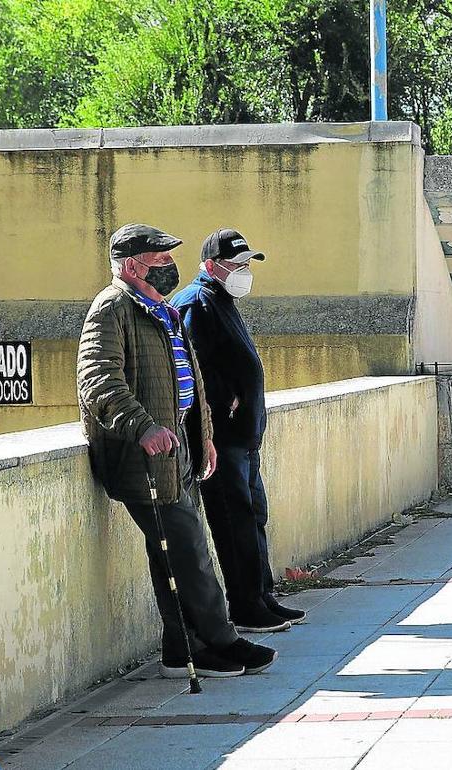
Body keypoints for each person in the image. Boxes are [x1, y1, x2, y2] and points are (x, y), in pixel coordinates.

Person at [77, 223, 277, 680]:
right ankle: (221, 639)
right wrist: (143, 427)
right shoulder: (113, 308)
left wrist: (203, 435)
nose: (170, 268)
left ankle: (183, 647)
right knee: (188, 548)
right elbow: (98, 379)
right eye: (160, 261)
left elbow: (192, 380)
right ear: (131, 266)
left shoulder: (159, 308)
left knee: (172, 552)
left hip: (179, 449)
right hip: (143, 455)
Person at [171, 228, 304, 633]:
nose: (245, 271)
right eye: (237, 265)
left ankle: (262, 596)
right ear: (211, 266)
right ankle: (245, 606)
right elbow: (193, 366)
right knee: (234, 523)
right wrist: (227, 397)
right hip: (221, 439)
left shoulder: (221, 300)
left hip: (244, 438)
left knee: (253, 518)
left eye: (247, 264)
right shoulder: (197, 303)